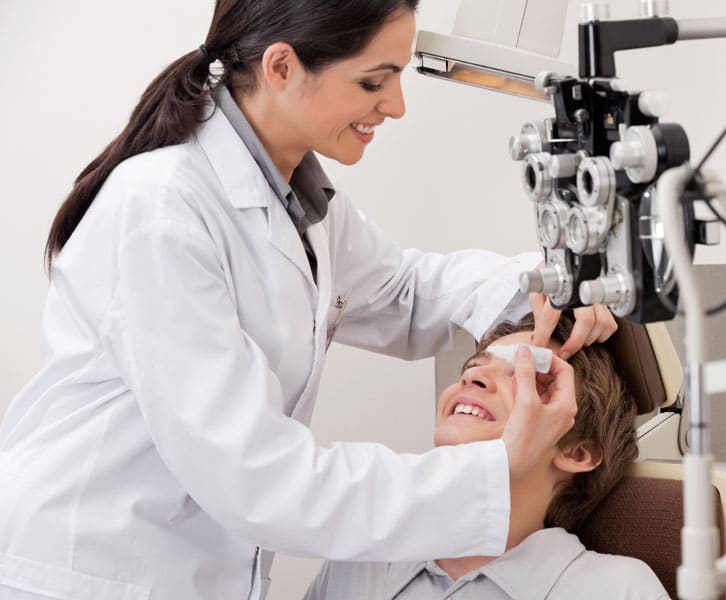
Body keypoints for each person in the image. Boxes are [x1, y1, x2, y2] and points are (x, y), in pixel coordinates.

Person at [0, 2, 618, 599]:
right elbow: (257, 477)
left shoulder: (306, 208)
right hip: (88, 569)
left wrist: (548, 281)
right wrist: (494, 469)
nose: (396, 106)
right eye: (374, 81)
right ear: (281, 67)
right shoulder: (162, 209)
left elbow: (405, 292)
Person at [304, 312, 669, 600]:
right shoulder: (360, 563)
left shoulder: (616, 589)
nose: (472, 377)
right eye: (473, 366)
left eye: (529, 378)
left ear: (578, 452)